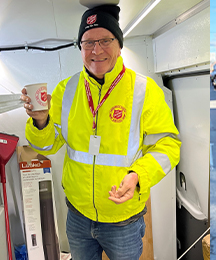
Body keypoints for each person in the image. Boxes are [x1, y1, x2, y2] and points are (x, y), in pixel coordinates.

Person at [21, 5, 181, 259]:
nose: (96, 50)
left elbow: (168, 145)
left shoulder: (144, 90)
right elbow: (47, 146)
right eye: (87, 43)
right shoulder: (67, 90)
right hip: (77, 215)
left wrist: (139, 175)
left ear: (119, 44)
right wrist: (41, 121)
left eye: (105, 40)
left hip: (123, 220)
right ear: (81, 48)